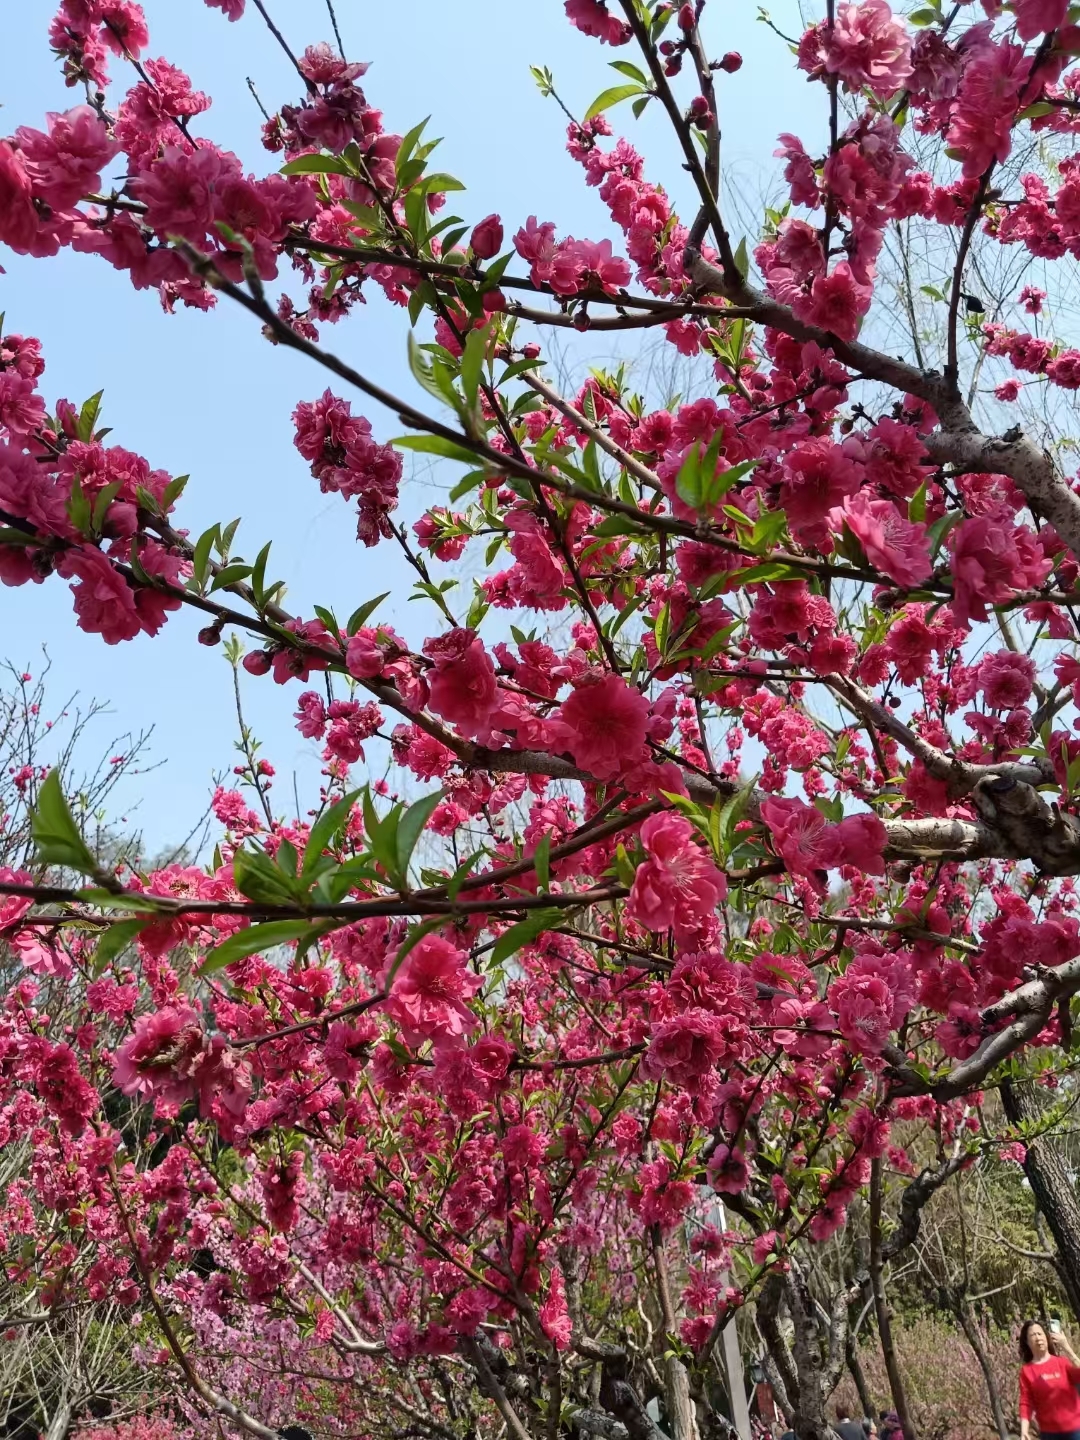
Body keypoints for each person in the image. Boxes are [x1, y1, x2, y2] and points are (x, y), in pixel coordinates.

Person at [1019, 1319, 1080, 1440]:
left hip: (1076, 1430)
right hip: (1049, 1433)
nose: (1038, 1338)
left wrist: (1067, 1347)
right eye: (1033, 1335)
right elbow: (1026, 1402)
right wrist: (1024, 1430)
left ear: (1047, 1337)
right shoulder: (1026, 1371)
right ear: (1027, 1342)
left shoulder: (1062, 1362)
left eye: (1040, 1333)